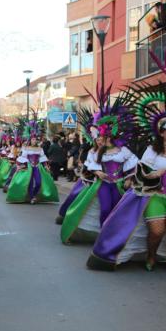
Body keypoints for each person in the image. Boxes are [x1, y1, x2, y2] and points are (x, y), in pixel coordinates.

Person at [87, 45, 166, 274]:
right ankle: (150, 256)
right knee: (157, 231)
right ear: (161, 133)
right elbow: (140, 172)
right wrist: (153, 174)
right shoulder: (151, 151)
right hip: (153, 196)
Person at [60, 94, 138, 244]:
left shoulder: (123, 150)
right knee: (105, 208)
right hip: (103, 184)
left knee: (117, 211)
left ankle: (115, 238)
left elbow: (133, 164)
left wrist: (129, 179)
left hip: (119, 185)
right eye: (101, 137)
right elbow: (91, 165)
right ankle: (103, 238)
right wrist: (98, 172)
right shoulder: (95, 152)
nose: (103, 139)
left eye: (106, 136)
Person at [6, 119, 59, 204]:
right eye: (33, 139)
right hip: (29, 167)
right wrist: (20, 166)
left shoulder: (39, 149)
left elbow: (42, 158)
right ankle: (32, 197)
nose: (34, 141)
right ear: (30, 140)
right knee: (29, 183)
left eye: (35, 139)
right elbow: (22, 158)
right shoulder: (26, 148)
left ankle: (34, 194)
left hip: (37, 167)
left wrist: (46, 166)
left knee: (38, 182)